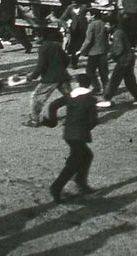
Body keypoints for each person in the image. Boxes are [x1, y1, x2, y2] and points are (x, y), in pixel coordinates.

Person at [42, 73, 100, 202]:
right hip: (80, 135)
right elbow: (93, 121)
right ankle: (57, 187)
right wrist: (87, 128)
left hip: (68, 133)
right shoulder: (91, 100)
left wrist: (52, 121)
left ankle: (80, 182)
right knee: (75, 162)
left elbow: (53, 105)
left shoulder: (70, 97)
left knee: (87, 155)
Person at [20, 26, 71, 126]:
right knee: (71, 97)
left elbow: (41, 66)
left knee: (37, 98)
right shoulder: (57, 46)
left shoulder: (44, 47)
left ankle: (34, 120)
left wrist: (32, 77)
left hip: (50, 78)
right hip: (63, 75)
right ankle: (74, 116)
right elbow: (67, 60)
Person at [98, 18, 137, 108]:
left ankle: (107, 99)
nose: (105, 27)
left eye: (107, 25)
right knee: (129, 80)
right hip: (129, 58)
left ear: (112, 25)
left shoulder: (117, 33)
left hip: (124, 59)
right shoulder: (119, 32)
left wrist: (109, 57)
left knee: (114, 80)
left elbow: (119, 49)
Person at [78, 10, 109, 94]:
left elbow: (88, 40)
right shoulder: (103, 24)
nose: (86, 16)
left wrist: (81, 50)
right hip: (103, 51)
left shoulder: (91, 25)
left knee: (90, 71)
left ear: (93, 16)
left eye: (88, 15)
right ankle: (107, 88)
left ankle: (97, 87)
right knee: (103, 71)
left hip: (93, 52)